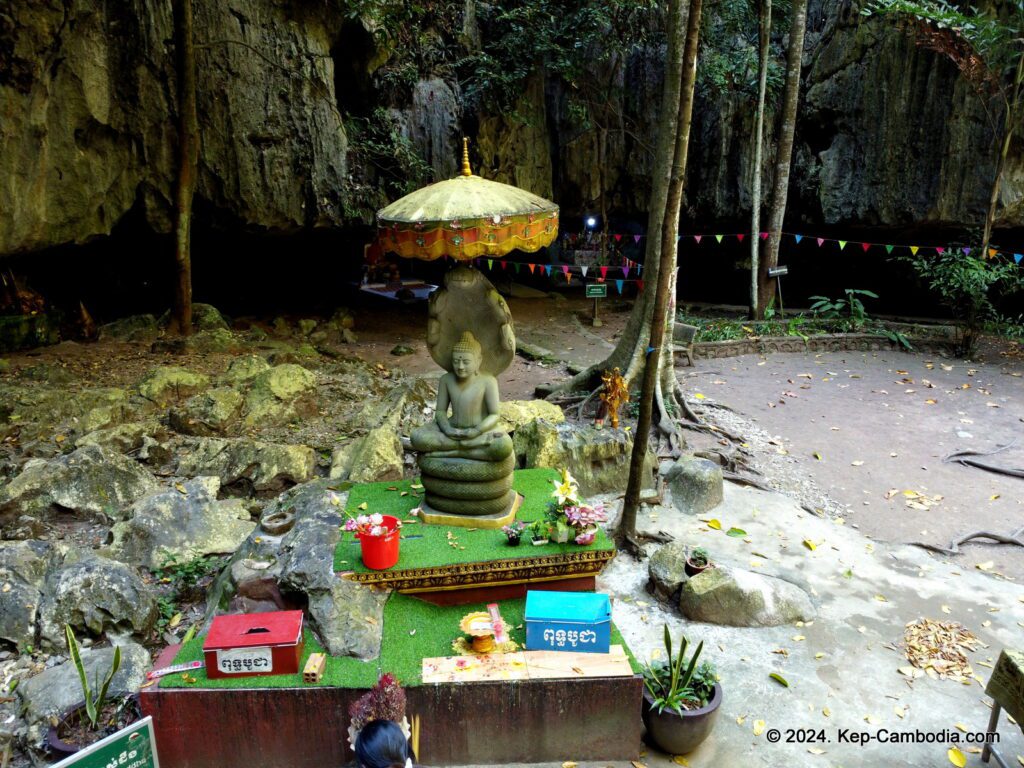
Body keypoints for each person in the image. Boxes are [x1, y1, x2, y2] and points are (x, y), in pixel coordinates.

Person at [410, 330, 513, 462]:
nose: (460, 366)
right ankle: (466, 450)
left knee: (504, 446)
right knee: (417, 437)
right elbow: (441, 411)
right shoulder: (446, 380)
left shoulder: (488, 381)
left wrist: (476, 431)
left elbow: (494, 414)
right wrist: (447, 429)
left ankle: (450, 452)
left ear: (478, 361)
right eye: (456, 361)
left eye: (466, 361)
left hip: (479, 432)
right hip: (452, 431)